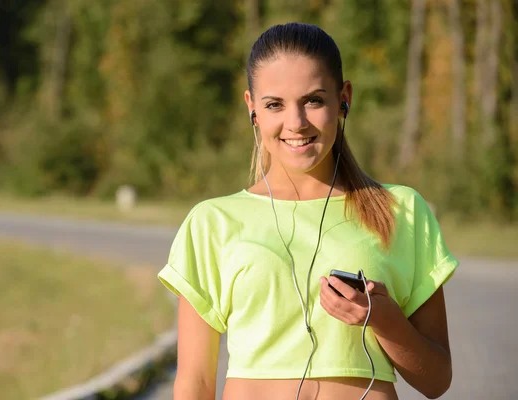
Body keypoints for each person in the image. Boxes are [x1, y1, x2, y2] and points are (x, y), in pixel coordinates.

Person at [157, 22, 459, 400]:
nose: (296, 123)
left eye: (313, 100)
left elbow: (436, 381)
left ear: (343, 97)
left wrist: (382, 319)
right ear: (252, 108)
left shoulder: (402, 210)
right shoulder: (211, 223)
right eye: (274, 105)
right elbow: (194, 384)